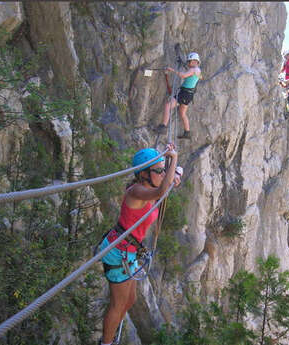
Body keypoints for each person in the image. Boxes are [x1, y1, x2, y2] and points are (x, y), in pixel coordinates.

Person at [97, 144, 181, 345]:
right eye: (158, 170)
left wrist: (172, 170)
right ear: (144, 174)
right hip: (118, 251)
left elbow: (164, 187)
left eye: (163, 169)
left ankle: (113, 329)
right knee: (118, 305)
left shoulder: (150, 188)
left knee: (130, 300)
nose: (162, 173)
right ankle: (106, 343)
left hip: (129, 251)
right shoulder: (137, 192)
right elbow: (162, 189)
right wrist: (174, 159)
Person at [156, 52, 202, 140]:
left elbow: (183, 75)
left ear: (195, 61)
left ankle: (163, 126)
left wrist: (172, 70)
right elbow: (192, 76)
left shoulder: (193, 70)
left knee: (168, 105)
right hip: (188, 94)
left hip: (184, 93)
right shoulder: (198, 70)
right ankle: (187, 132)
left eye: (189, 61)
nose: (188, 63)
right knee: (182, 113)